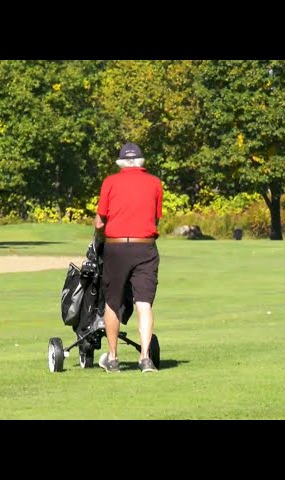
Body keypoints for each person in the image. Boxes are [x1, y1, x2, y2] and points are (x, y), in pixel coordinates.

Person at [94, 142, 163, 373]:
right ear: (141, 162)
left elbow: (100, 221)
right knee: (144, 303)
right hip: (145, 247)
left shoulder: (110, 182)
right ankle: (145, 358)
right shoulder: (155, 183)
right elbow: (156, 218)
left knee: (112, 302)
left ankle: (113, 358)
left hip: (117, 248)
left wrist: (98, 238)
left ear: (121, 162)